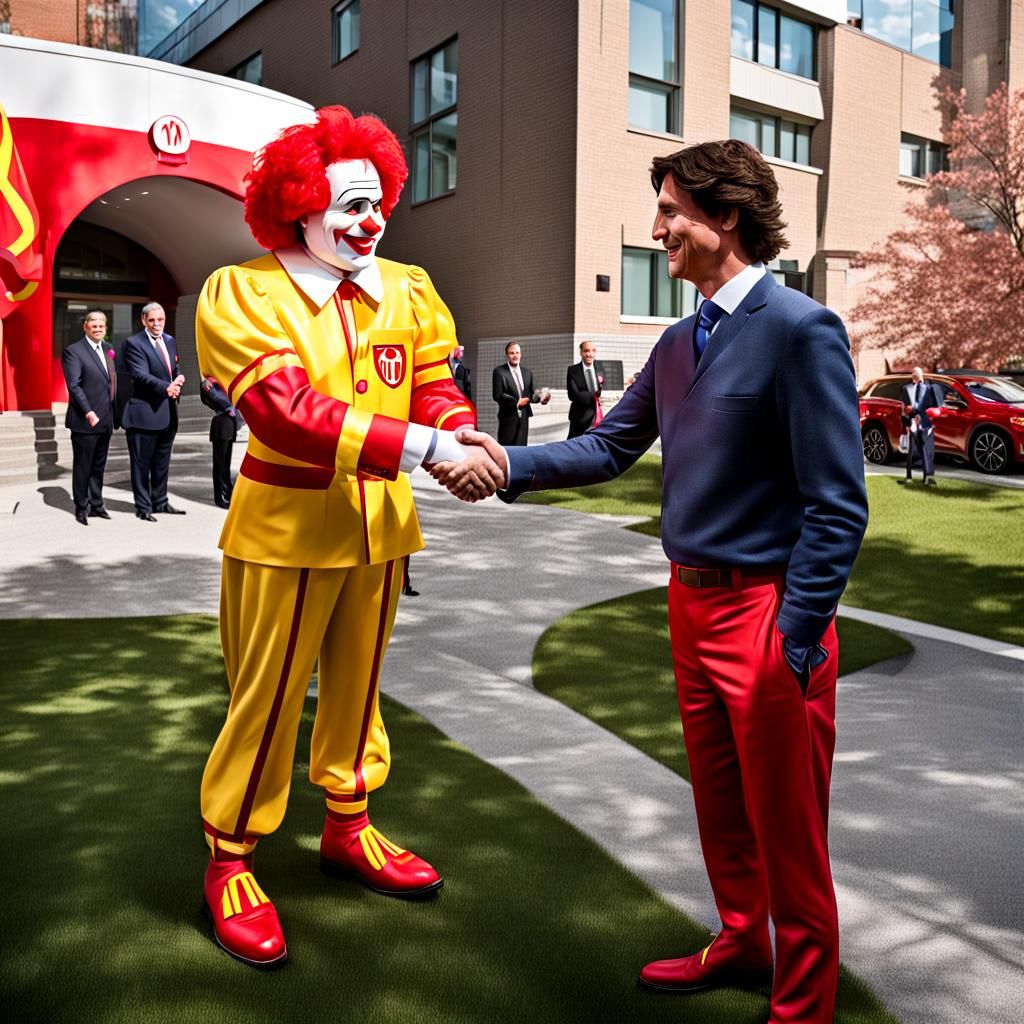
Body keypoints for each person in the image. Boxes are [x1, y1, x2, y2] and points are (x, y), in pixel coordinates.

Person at [434, 139, 868, 1024]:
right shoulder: (677, 342)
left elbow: (838, 504)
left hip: (766, 612)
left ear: (727, 216)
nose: (659, 227)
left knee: (790, 830)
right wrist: (504, 460)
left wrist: (795, 633)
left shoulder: (802, 330)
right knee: (719, 801)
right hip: (688, 606)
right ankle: (744, 939)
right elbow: (606, 446)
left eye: (673, 210)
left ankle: (805, 1007)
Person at [194, 105, 501, 969]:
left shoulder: (405, 284)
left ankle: (349, 826)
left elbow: (433, 382)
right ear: (296, 204)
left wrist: (462, 433)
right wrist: (431, 447)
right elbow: (286, 415)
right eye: (348, 206)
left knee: (360, 690)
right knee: (266, 698)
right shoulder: (241, 290)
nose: (369, 223)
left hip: (379, 529)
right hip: (286, 529)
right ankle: (231, 858)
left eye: (377, 205)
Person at [120, 302, 186, 521]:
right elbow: (139, 374)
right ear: (143, 321)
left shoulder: (170, 341)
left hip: (167, 412)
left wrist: (178, 377)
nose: (157, 324)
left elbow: (172, 368)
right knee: (141, 464)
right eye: (152, 320)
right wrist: (166, 387)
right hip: (143, 414)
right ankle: (144, 507)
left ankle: (161, 502)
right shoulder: (133, 343)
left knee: (162, 462)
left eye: (161, 320)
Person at [61, 309, 118, 524]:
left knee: (98, 466)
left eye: (101, 324)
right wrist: (88, 411)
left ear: (106, 327)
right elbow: (74, 386)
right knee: (83, 466)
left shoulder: (109, 350)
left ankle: (97, 504)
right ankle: (81, 507)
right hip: (85, 420)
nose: (97, 327)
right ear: (85, 326)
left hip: (105, 420)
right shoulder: (73, 351)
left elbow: (110, 382)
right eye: (93, 324)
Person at [492, 341, 550, 445]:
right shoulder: (499, 372)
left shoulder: (527, 373)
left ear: (521, 354)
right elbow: (498, 395)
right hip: (508, 417)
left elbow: (530, 395)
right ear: (507, 355)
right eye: (512, 353)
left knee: (522, 449)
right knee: (507, 450)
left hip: (523, 418)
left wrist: (541, 399)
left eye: (517, 353)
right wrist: (517, 402)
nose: (515, 356)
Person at [199, 375, 239, 508]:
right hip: (221, 425)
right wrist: (229, 407)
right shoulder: (209, 385)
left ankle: (227, 492)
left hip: (229, 426)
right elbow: (212, 399)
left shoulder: (224, 383)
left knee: (226, 464)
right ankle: (219, 497)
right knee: (219, 465)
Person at [899, 366, 940, 486]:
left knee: (924, 450)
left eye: (917, 375)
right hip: (912, 423)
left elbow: (932, 406)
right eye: (914, 375)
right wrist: (906, 424)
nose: (916, 377)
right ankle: (909, 477)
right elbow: (903, 408)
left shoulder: (928, 389)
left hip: (924, 423)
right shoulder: (906, 389)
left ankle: (926, 477)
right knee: (911, 451)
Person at [566, 340, 603, 438]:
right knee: (574, 448)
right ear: (581, 352)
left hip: (597, 417)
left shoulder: (600, 368)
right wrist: (594, 396)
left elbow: (603, 390)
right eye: (586, 351)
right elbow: (573, 395)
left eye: (593, 351)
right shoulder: (573, 370)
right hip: (579, 418)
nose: (590, 354)